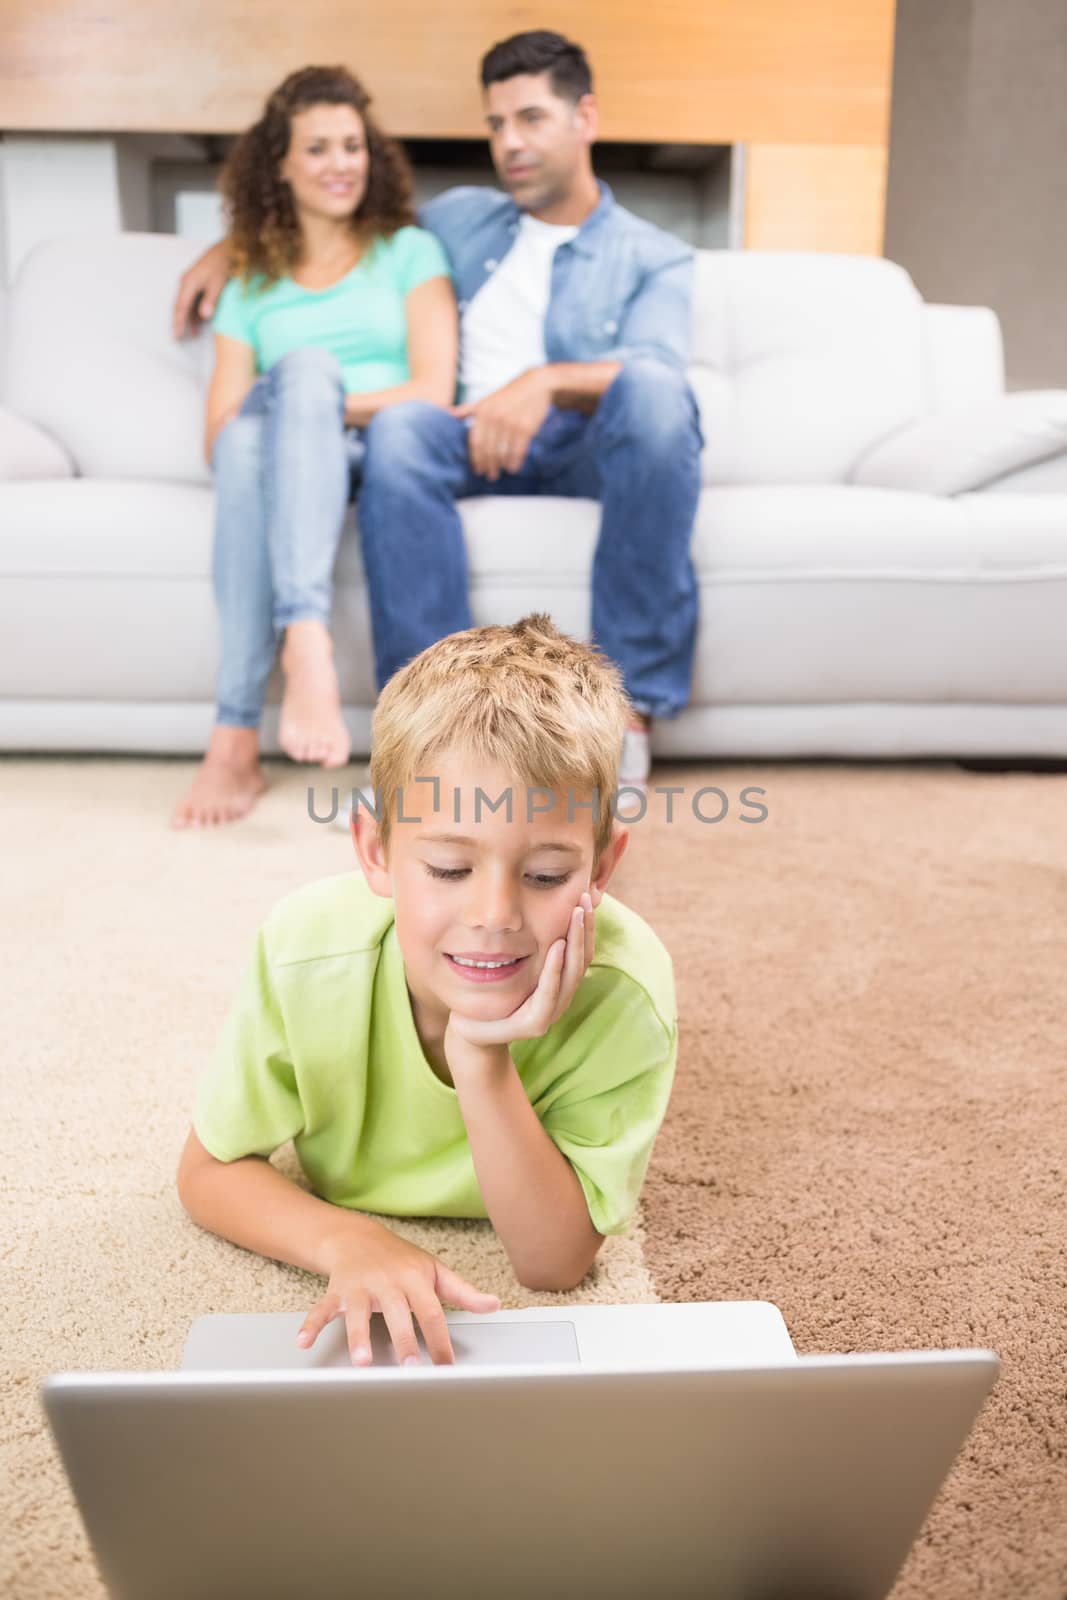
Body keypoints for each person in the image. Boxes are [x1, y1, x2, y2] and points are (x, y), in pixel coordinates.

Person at [173, 31, 703, 807]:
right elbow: (335, 213)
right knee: (401, 430)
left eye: (529, 119)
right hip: (457, 431)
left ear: (584, 116)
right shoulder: (460, 220)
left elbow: (654, 364)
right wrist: (227, 248)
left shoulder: (653, 255)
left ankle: (626, 715)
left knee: (658, 395)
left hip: (584, 442)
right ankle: (431, 727)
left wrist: (546, 383)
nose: (510, 144)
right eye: (496, 126)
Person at [176, 613, 678, 1367]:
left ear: (601, 869)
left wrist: (480, 1053)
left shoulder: (624, 988)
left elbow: (553, 1263)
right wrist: (350, 1240)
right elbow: (207, 1171)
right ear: (375, 852)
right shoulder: (305, 951)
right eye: (448, 868)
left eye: (544, 876)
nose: (493, 917)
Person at [172, 66, 457, 828]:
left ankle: (237, 730)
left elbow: (433, 388)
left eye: (353, 145)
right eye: (319, 147)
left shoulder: (407, 252)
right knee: (252, 437)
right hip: (276, 454)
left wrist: (320, 403)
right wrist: (302, 404)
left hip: (375, 450)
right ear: (280, 166)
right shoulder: (250, 282)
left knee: (306, 376)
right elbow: (220, 429)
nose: (341, 163)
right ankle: (302, 646)